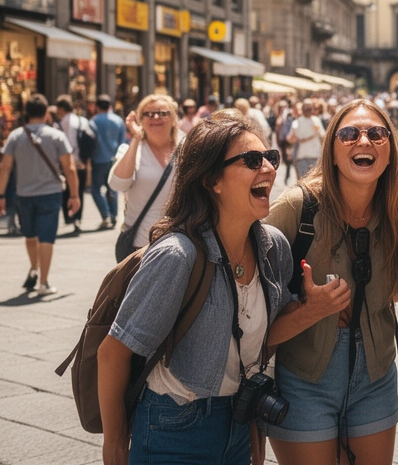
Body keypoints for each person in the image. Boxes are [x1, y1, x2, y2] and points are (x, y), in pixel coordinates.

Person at [97, 112, 293, 464]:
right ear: (212, 180)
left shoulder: (272, 247)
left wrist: (252, 425)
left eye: (270, 157)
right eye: (252, 160)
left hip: (238, 420)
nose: (268, 168)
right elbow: (113, 353)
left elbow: (262, 343)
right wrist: (113, 445)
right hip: (174, 427)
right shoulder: (177, 256)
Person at [264, 99, 398, 465]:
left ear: (390, 152)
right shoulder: (296, 209)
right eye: (349, 134)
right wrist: (309, 312)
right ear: (331, 151)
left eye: (377, 133)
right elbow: (246, 324)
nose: (364, 141)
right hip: (303, 378)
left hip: (375, 376)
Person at [0, 94, 81, 296]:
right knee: (46, 238)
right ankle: (44, 282)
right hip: (50, 194)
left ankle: (34, 268)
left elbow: (4, 168)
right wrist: (74, 195)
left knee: (30, 235)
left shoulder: (15, 136)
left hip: (23, 194)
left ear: (26, 113)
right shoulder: (56, 136)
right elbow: (70, 168)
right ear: (46, 113)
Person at [111, 95, 181, 255]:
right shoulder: (130, 150)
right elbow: (118, 185)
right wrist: (136, 138)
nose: (156, 117)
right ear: (140, 120)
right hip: (140, 246)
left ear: (174, 118)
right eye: (148, 114)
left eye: (163, 113)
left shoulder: (186, 147)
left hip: (180, 244)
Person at [55, 95, 93, 234]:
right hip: (82, 162)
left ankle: (71, 217)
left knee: (70, 192)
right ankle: (77, 219)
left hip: (71, 162)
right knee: (79, 192)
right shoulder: (82, 120)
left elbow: (68, 144)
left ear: (62, 108)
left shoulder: (65, 122)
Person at [90, 95, 127, 230]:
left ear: (97, 107)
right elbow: (122, 140)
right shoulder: (118, 120)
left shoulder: (93, 121)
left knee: (96, 189)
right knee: (112, 189)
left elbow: (90, 141)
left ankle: (105, 215)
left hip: (99, 159)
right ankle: (114, 215)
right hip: (115, 158)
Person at [289, 101, 325, 178]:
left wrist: (317, 131)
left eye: (310, 109)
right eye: (307, 109)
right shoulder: (297, 122)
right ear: (302, 110)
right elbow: (290, 139)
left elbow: (323, 135)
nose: (309, 111)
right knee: (304, 180)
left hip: (316, 155)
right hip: (302, 156)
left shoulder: (316, 120)